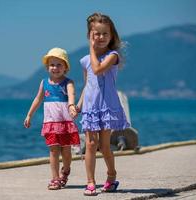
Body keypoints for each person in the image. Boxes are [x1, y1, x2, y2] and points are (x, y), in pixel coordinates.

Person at [77, 13, 130, 196]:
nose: (100, 38)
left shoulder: (113, 56)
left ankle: (111, 175)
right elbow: (87, 85)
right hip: (91, 108)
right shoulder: (85, 61)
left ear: (111, 35)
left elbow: (98, 70)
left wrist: (91, 49)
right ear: (90, 35)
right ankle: (90, 182)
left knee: (104, 146)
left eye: (104, 34)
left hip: (106, 107)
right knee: (91, 144)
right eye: (96, 34)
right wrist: (78, 105)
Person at [24, 47, 80, 190]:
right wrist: (29, 114)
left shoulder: (68, 82)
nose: (55, 68)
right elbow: (38, 99)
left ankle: (66, 170)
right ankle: (55, 178)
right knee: (53, 150)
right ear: (47, 67)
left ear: (65, 67)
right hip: (50, 122)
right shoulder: (44, 83)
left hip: (65, 121)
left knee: (66, 151)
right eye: (52, 65)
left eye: (59, 64)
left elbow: (71, 95)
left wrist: (72, 106)